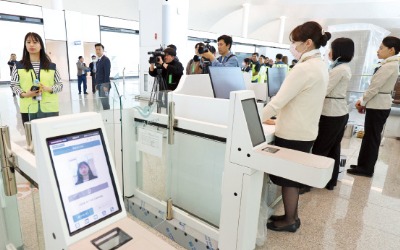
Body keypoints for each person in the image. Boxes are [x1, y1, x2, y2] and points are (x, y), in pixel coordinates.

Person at [262, 21, 331, 232]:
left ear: (308, 43)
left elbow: (277, 102)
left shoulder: (304, 68)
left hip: (293, 132)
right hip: (305, 130)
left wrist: (252, 118)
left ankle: (290, 220)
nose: (292, 46)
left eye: (294, 42)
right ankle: (292, 216)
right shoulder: (319, 64)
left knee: (288, 179)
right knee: (291, 177)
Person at [347, 36, 400, 177]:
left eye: (381, 48)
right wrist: (364, 101)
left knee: (372, 138)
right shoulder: (387, 64)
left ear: (391, 50)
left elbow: (374, 87)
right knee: (369, 137)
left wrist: (362, 101)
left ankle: (366, 168)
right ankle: (363, 165)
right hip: (377, 104)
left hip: (379, 106)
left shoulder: (389, 66)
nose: (378, 51)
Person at [312, 38, 355, 190]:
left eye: (331, 48)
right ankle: (331, 181)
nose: (329, 52)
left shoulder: (339, 70)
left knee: (320, 149)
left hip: (331, 114)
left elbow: (324, 90)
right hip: (339, 113)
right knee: (333, 149)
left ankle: (310, 182)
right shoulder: (342, 67)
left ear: (339, 51)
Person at [10, 32, 63, 124]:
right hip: (28, 108)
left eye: (35, 42)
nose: (31, 44)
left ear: (41, 45)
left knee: (51, 136)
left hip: (50, 108)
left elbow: (60, 85)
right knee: (32, 137)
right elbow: (14, 85)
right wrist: (25, 94)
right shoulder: (18, 66)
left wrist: (49, 88)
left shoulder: (52, 66)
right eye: (28, 42)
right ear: (25, 45)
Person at [95, 43, 111, 110]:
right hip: (99, 85)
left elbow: (107, 74)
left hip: (104, 85)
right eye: (96, 49)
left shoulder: (106, 60)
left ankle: (108, 117)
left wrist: (105, 86)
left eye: (99, 49)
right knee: (103, 102)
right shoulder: (98, 60)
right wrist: (96, 85)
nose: (98, 51)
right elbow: (98, 74)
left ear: (103, 50)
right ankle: (106, 117)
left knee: (105, 103)